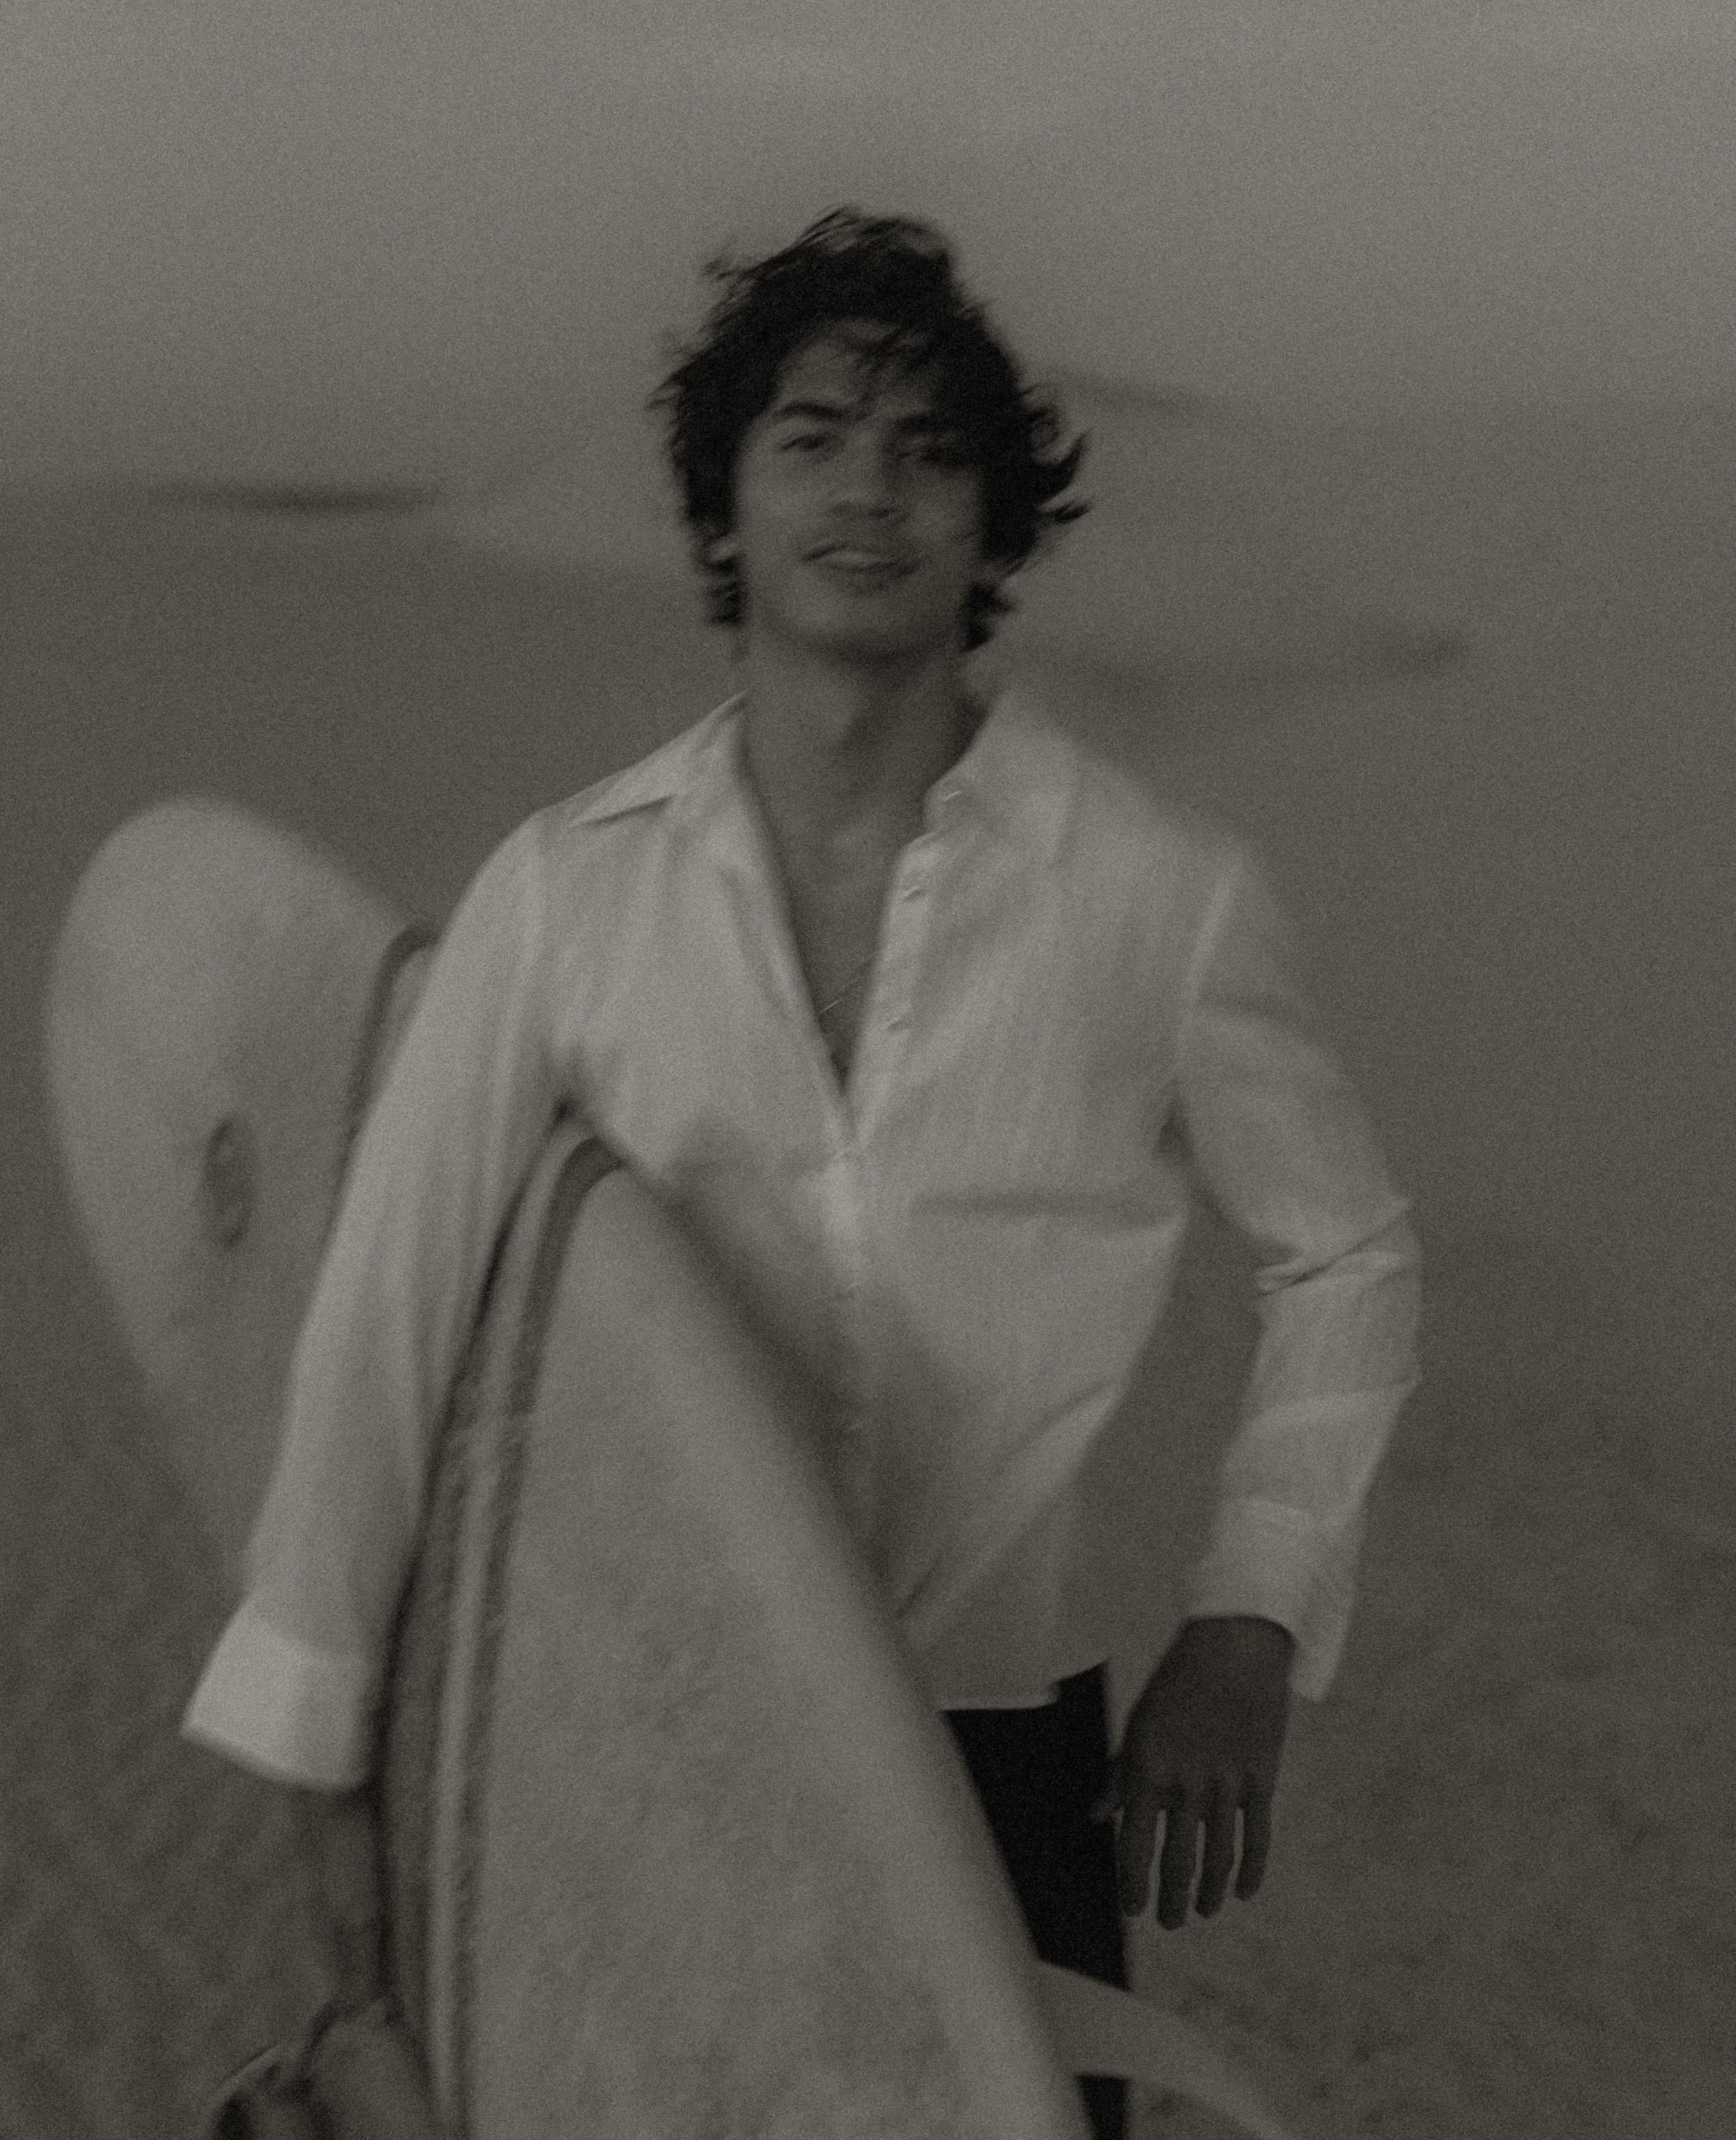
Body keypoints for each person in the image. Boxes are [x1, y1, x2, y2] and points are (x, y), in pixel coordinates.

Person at [185, 209, 1421, 2140]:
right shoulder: (564, 896)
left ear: (994, 521)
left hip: (1000, 1771)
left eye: (932, 448)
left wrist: (1249, 1615)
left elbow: (1344, 1258)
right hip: (632, 1745)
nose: (871, 487)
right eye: (813, 432)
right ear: (726, 506)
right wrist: (321, 1765)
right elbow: (385, 1323)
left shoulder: (1151, 898)